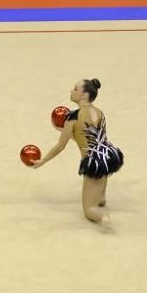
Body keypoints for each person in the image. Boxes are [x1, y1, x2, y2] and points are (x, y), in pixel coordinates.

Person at [31, 79, 123, 228]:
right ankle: (100, 198)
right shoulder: (99, 112)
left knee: (88, 211)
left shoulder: (73, 117)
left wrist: (42, 161)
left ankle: (102, 215)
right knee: (98, 194)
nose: (71, 91)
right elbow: (87, 138)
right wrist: (65, 131)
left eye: (75, 89)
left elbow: (60, 146)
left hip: (93, 165)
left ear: (84, 95)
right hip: (108, 157)